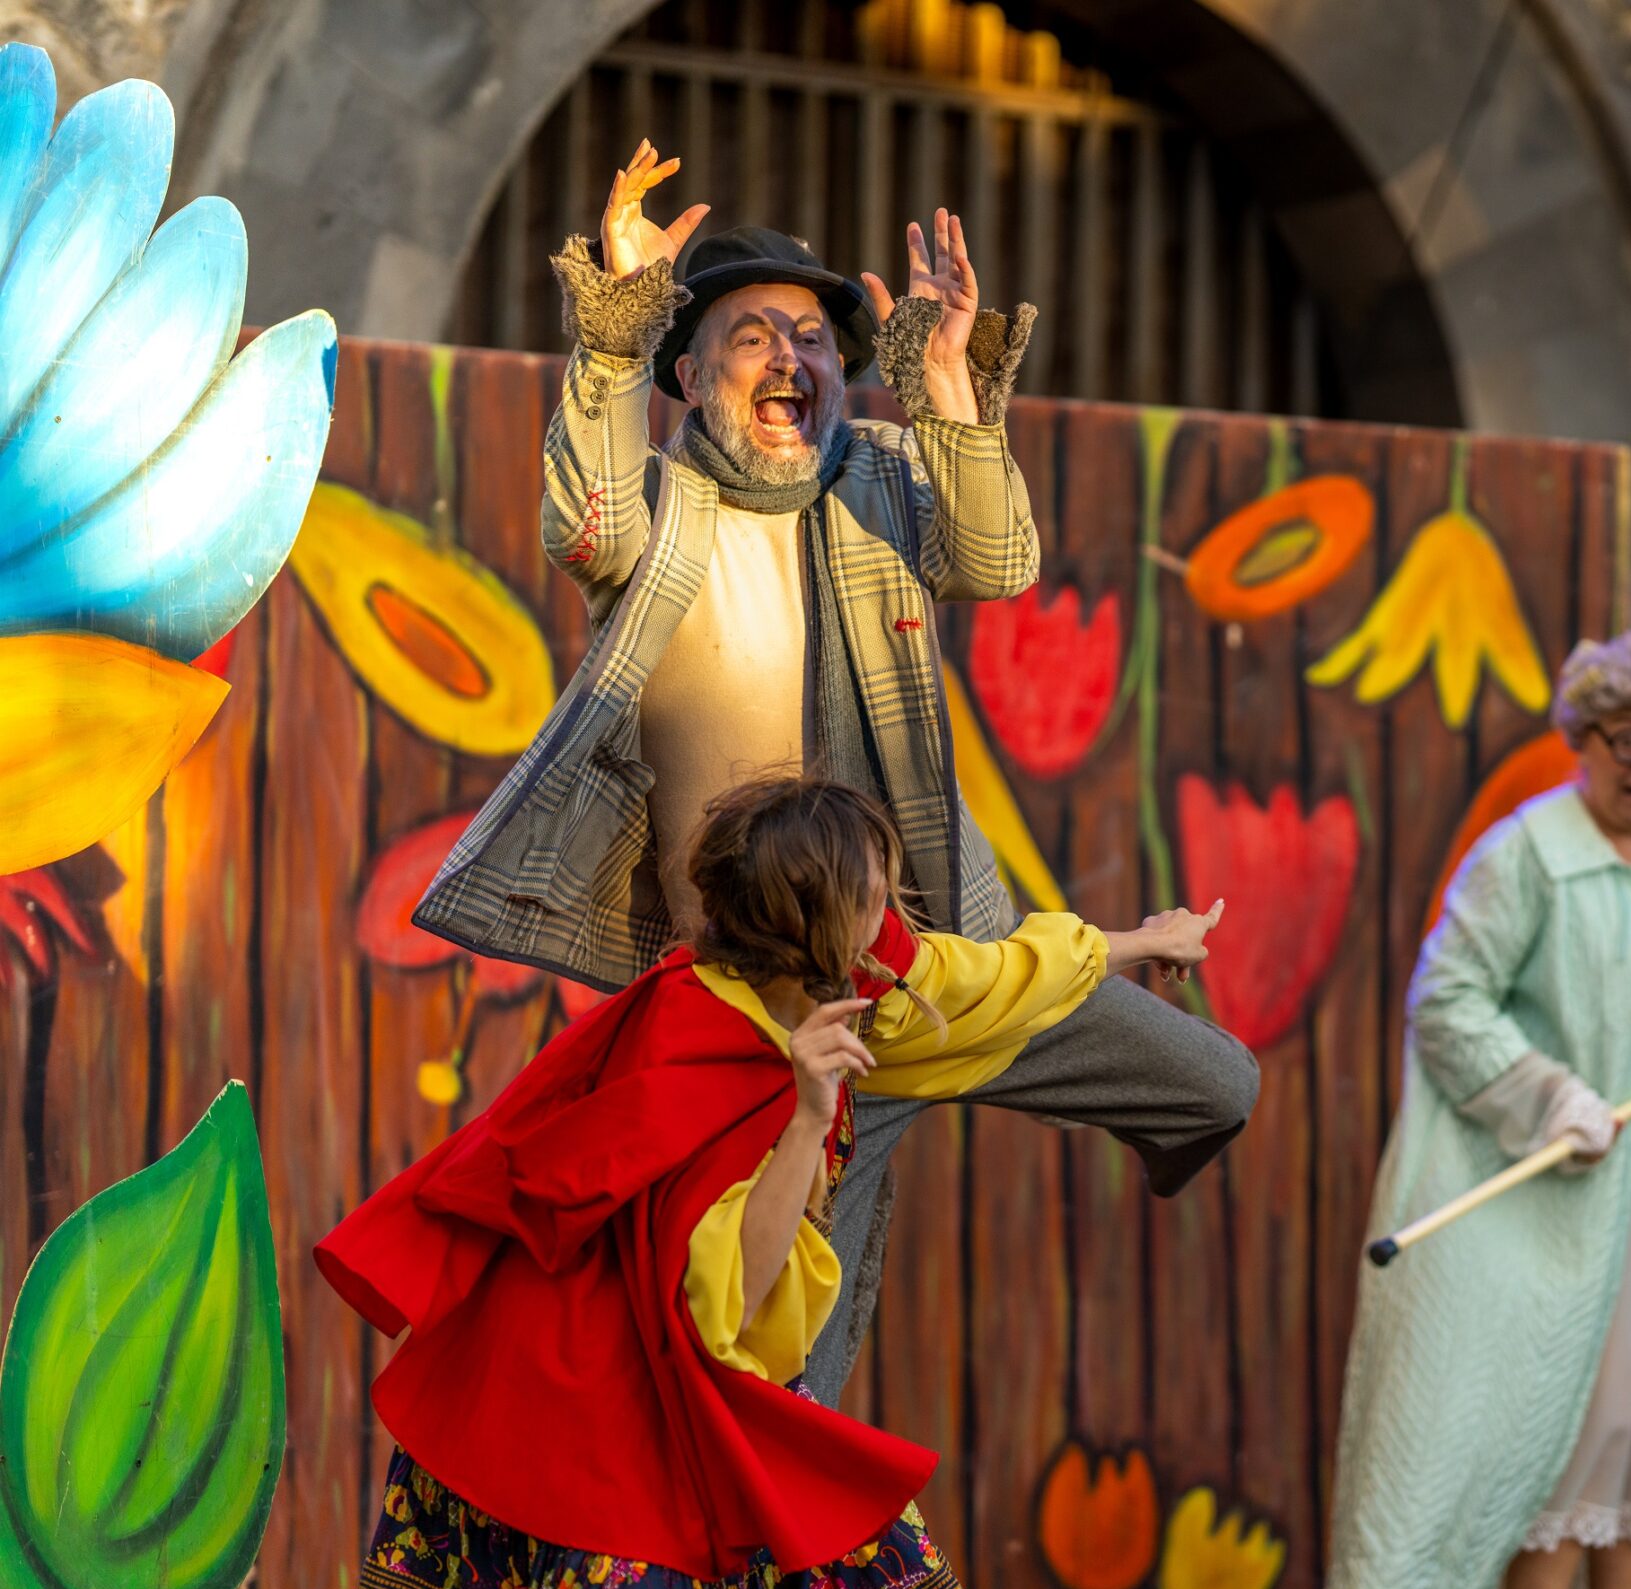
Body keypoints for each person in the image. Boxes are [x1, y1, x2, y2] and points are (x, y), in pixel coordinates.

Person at [411, 141, 1259, 1402]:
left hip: (936, 964)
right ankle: (765, 1562)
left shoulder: (882, 487)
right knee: (787, 1359)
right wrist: (609, 341)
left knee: (1216, 1080)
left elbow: (1001, 562)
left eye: (812, 341)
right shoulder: (658, 510)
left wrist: (945, 390)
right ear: (688, 376)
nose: (791, 361)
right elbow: (579, 519)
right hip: (772, 1014)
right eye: (751, 337)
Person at [323, 776, 1226, 1589]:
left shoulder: (795, 981)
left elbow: (979, 977)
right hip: (624, 1411)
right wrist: (807, 1119)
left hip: (635, 1375)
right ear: (832, 918)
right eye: (878, 887)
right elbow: (735, 1304)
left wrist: (1139, 942)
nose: (893, 901)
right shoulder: (720, 1063)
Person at [1326, 628, 1631, 1589]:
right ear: (1582, 735)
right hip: (1559, 1192)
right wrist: (1546, 1092)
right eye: (1630, 737)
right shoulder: (1528, 849)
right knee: (1564, 1408)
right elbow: (1447, 996)